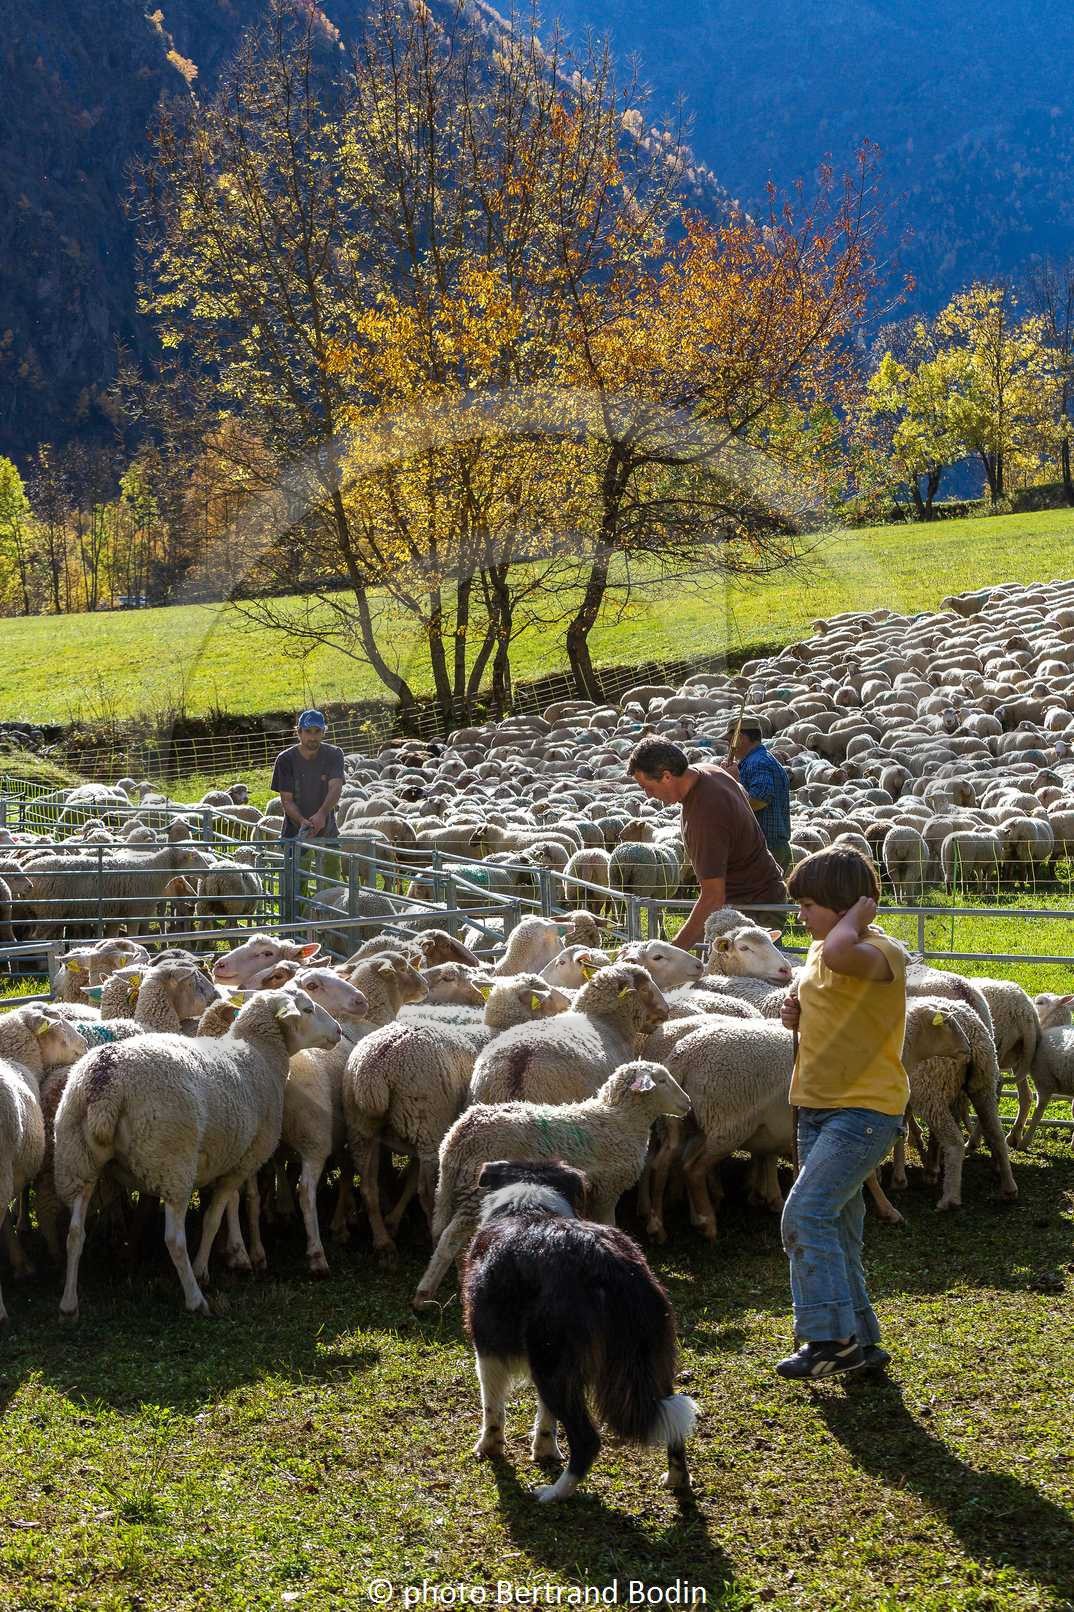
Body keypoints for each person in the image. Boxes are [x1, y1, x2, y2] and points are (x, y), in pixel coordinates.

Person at [776, 846, 908, 1381]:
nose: (800, 915)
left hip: (864, 1109)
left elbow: (839, 955)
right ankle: (862, 1341)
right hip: (817, 1105)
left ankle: (830, 1339)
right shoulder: (820, 950)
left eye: (809, 905)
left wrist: (858, 915)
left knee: (805, 1214)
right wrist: (797, 1012)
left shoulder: (881, 952)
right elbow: (829, 985)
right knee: (838, 1228)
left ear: (844, 905)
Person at [626, 738, 787, 951]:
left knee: (746, 973)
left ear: (666, 776)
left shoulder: (705, 815)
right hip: (753, 900)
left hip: (749, 911)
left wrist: (673, 952)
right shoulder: (708, 771)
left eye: (647, 787)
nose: (648, 795)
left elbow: (713, 897)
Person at [723, 719, 792, 873]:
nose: (729, 747)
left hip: (763, 848)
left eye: (729, 741)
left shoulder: (757, 762)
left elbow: (760, 798)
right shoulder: (762, 759)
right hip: (769, 846)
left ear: (740, 738)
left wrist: (734, 781)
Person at [271, 709, 345, 841]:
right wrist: (302, 821)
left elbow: (335, 787)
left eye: (317, 731)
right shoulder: (285, 760)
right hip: (294, 832)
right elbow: (287, 800)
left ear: (323, 732)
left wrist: (322, 814)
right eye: (308, 731)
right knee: (297, 854)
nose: (312, 737)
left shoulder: (334, 754)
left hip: (327, 831)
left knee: (330, 855)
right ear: (299, 732)